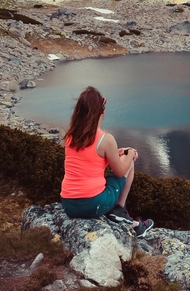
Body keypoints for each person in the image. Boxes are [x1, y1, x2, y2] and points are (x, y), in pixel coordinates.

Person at [60, 86, 154, 237]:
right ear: (101, 111)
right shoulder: (105, 139)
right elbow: (120, 171)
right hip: (92, 204)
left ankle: (119, 212)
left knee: (122, 160)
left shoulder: (70, 136)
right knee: (128, 163)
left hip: (68, 205)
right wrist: (130, 154)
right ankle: (119, 209)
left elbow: (90, 158)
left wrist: (118, 152)